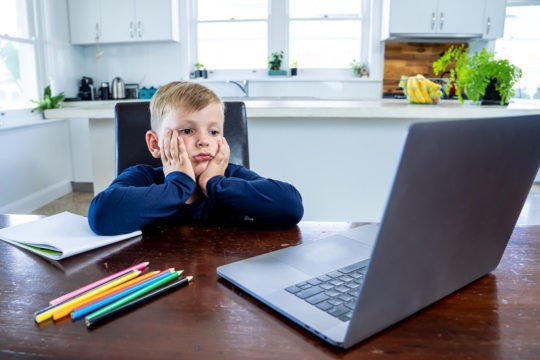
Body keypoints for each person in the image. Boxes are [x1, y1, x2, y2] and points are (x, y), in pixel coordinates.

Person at [88, 81, 303, 235]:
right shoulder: (143, 177)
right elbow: (101, 216)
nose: (204, 141)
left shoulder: (229, 176)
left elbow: (291, 206)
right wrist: (178, 186)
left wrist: (214, 184)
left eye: (213, 132)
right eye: (188, 131)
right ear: (155, 144)